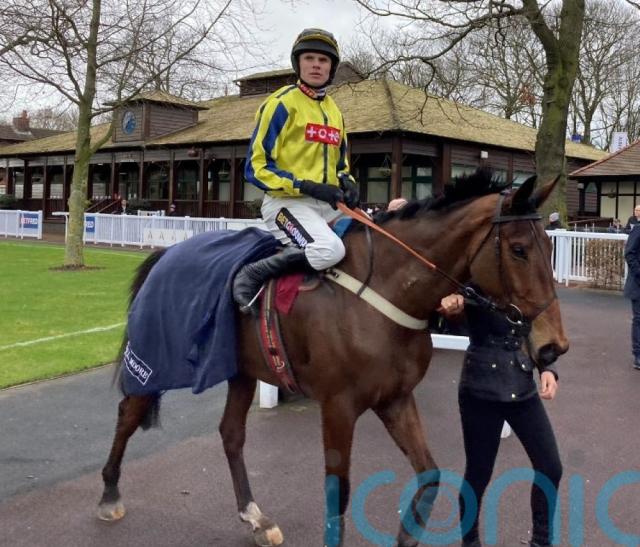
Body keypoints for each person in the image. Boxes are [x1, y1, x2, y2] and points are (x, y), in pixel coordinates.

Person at [233, 28, 359, 312]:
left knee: (377, 237)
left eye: (323, 60)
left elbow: (341, 164)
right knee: (329, 250)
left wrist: (348, 182)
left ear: (331, 68)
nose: (316, 65)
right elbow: (256, 167)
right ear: (298, 63)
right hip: (286, 204)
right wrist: (304, 185)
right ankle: (252, 273)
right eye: (309, 58)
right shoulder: (280, 104)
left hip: (327, 205)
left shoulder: (335, 111)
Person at [440, 289, 562, 547]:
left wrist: (547, 366)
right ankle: (470, 542)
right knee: (478, 473)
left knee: (550, 467)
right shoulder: (473, 275)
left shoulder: (524, 276)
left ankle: (541, 542)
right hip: (480, 390)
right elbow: (446, 311)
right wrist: (451, 306)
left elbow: (537, 323)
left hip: (522, 386)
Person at [623, 225, 640, 370]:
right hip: (638, 284)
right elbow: (629, 254)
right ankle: (638, 355)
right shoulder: (638, 230)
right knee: (639, 319)